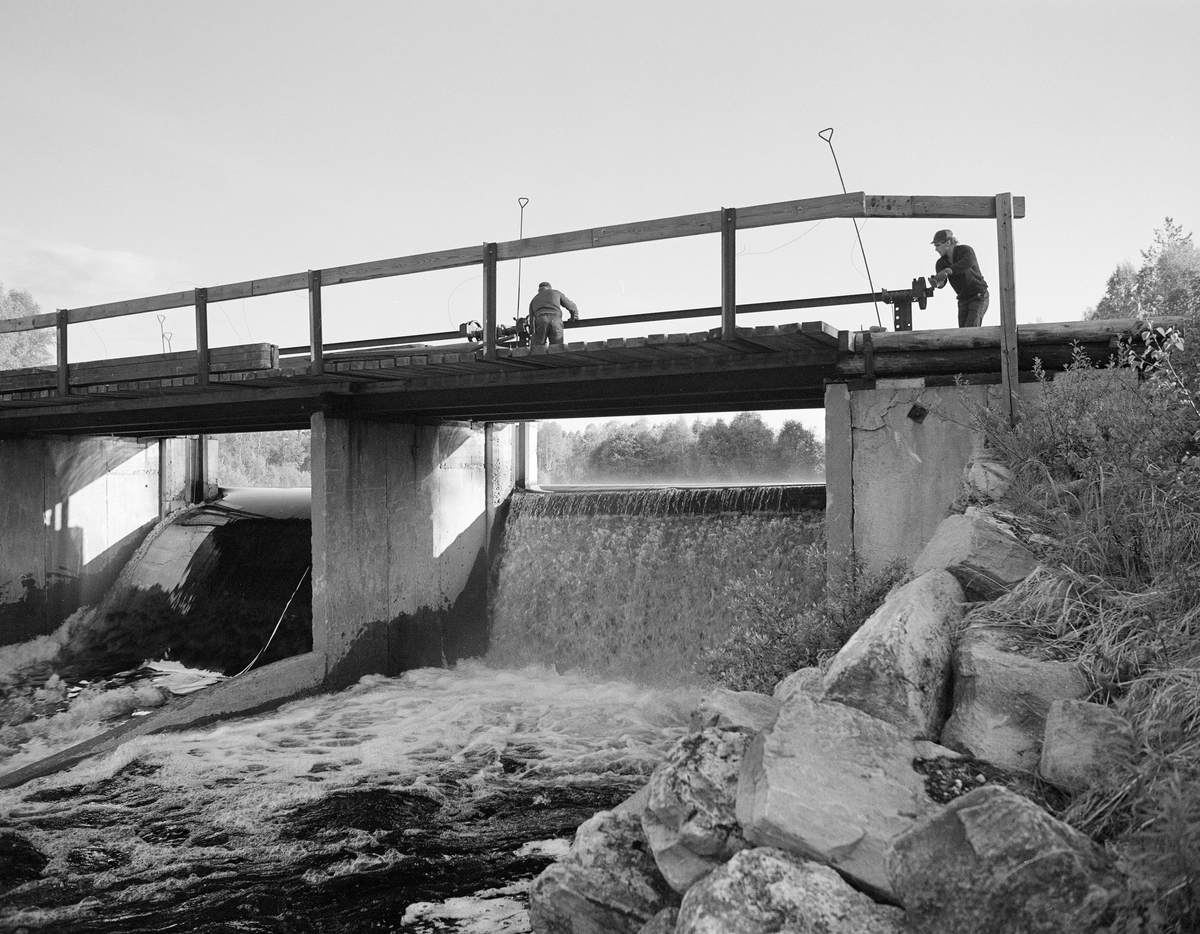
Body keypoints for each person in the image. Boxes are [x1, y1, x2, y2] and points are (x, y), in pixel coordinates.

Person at [931, 229, 990, 327]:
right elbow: (942, 283)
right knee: (962, 334)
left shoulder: (966, 250)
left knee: (971, 331)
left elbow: (966, 264)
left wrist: (947, 271)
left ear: (948, 242)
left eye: (938, 245)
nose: (936, 249)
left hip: (978, 296)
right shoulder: (940, 263)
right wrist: (937, 281)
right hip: (963, 300)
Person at [528, 281, 579, 346]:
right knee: (557, 348)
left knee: (537, 349)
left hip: (541, 320)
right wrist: (574, 317)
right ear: (550, 288)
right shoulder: (556, 293)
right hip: (556, 320)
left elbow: (532, 322)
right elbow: (571, 306)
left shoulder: (534, 299)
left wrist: (533, 333)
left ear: (539, 290)